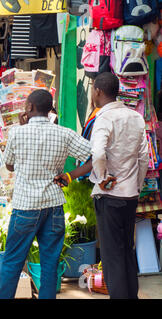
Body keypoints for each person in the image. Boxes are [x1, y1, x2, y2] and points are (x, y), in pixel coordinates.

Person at [0, 89, 92, 299]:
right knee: (50, 264)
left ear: (29, 108)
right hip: (53, 206)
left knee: (13, 261)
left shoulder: (17, 133)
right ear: (49, 110)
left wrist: (21, 129)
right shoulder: (64, 133)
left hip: (25, 208)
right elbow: (95, 156)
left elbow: (10, 166)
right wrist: (70, 175)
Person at [87, 72, 148, 299]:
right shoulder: (136, 117)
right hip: (130, 195)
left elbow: (98, 153)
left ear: (98, 92)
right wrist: (137, 185)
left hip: (109, 196)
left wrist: (102, 177)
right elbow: (143, 158)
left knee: (112, 256)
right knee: (127, 252)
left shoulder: (104, 118)